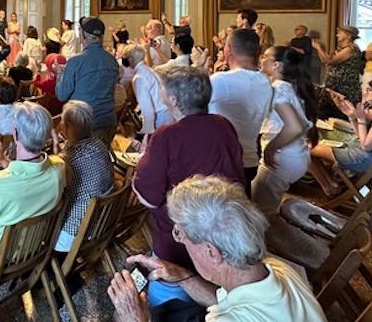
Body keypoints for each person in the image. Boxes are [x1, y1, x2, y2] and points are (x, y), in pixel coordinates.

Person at [110, 175, 327, 322]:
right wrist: (182, 276)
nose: (180, 242)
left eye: (181, 236)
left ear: (211, 252)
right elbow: (228, 301)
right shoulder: (278, 269)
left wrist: (135, 319)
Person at [133, 67, 244, 275]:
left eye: (162, 88)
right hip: (225, 229)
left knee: (168, 286)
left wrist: (143, 159)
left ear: (173, 100)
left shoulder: (167, 135)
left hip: (183, 236)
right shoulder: (223, 125)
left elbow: (149, 194)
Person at [0, 102, 65, 288]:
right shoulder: (60, 169)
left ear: (15, 135)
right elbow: (26, 174)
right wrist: (1, 158)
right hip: (32, 249)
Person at [310, 77, 372, 196]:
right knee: (310, 148)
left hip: (364, 158)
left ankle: (328, 187)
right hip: (366, 155)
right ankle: (331, 184)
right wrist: (351, 115)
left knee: (306, 149)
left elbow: (366, 146)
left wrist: (360, 119)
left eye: (370, 90)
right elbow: (361, 138)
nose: (365, 92)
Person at [251, 46, 316, 215]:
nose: (261, 58)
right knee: (267, 205)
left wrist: (270, 148)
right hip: (296, 155)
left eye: (265, 56)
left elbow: (295, 127)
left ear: (276, 65)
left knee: (260, 211)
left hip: (283, 157)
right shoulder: (289, 86)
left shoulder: (278, 89)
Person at [208, 28, 274, 193]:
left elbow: (191, 109)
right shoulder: (265, 81)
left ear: (229, 48)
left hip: (223, 162)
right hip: (250, 159)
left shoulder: (221, 80)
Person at [54, 101, 115, 251]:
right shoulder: (100, 145)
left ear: (65, 127)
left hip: (75, 233)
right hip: (103, 222)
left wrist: (56, 147)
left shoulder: (68, 159)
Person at [56, 17, 119, 145]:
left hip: (83, 126)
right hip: (108, 123)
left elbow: (62, 95)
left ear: (82, 35)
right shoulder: (112, 61)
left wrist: (59, 74)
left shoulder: (75, 61)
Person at [313, 25, 364, 114]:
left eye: (340, 33)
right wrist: (320, 49)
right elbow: (325, 60)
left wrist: (319, 48)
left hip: (344, 86)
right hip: (335, 84)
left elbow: (330, 61)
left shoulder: (350, 49)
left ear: (348, 36)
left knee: (338, 111)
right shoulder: (342, 49)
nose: (337, 35)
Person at [124, 43, 169, 134]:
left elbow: (147, 109)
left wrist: (147, 132)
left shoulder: (139, 77)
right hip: (166, 113)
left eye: (125, 57)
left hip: (159, 117)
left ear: (131, 58)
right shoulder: (149, 70)